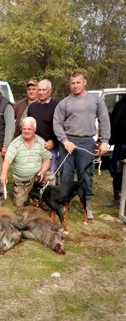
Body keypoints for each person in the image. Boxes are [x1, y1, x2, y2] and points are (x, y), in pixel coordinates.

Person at [53, 72, 111, 219]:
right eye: (72, 83)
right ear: (69, 84)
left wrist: (105, 141)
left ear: (84, 82)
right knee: (66, 174)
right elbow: (57, 123)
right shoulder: (64, 103)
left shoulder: (95, 100)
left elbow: (104, 120)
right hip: (68, 142)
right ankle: (64, 203)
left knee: (86, 174)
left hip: (86, 142)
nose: (75, 86)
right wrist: (65, 141)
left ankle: (87, 203)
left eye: (78, 82)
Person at [0, 117, 52, 207]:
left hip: (37, 177)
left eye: (29, 129)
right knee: (19, 204)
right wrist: (4, 174)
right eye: (24, 129)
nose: (26, 131)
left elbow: (47, 159)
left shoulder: (41, 141)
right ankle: (31, 197)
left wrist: (43, 171)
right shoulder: (15, 143)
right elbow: (7, 160)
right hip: (22, 180)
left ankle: (45, 199)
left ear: (35, 129)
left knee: (51, 177)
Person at [28, 79, 58, 182]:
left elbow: (60, 127)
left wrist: (53, 140)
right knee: (35, 173)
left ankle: (51, 194)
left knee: (50, 175)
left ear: (50, 90)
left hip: (50, 146)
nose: (40, 92)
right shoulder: (32, 107)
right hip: (34, 146)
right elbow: (29, 126)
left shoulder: (56, 106)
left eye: (43, 90)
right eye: (39, 90)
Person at [108, 95, 126, 202]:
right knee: (117, 171)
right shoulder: (120, 104)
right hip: (120, 144)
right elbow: (112, 122)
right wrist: (110, 139)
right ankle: (117, 192)